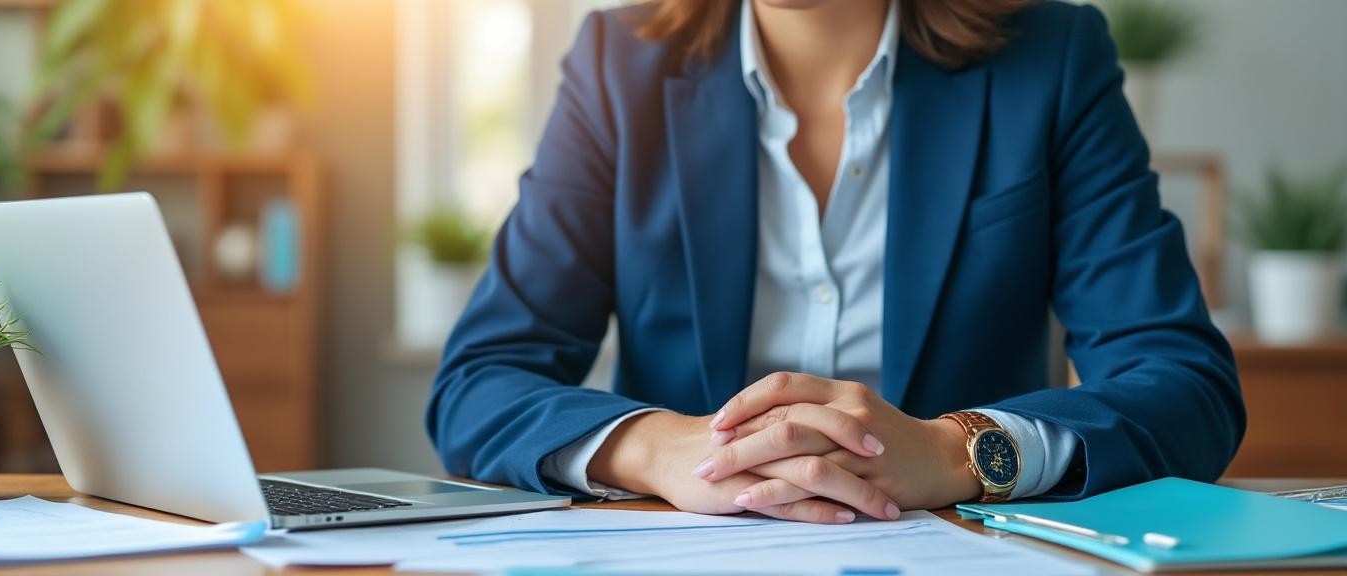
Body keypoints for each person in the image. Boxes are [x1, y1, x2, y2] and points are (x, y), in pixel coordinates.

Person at [426, 0, 1245, 524]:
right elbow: (480, 380)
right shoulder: (618, 63)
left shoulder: (1053, 57)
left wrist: (960, 451)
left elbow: (1183, 382)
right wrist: (660, 448)